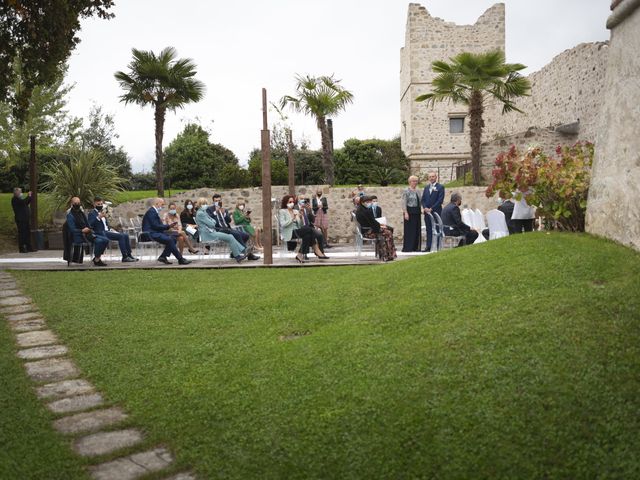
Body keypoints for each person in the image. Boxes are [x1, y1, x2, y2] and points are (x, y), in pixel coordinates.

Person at [206, 193, 259, 260]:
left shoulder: (224, 210)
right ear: (213, 202)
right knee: (236, 234)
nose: (217, 202)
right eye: (216, 201)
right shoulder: (209, 210)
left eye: (219, 201)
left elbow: (229, 220)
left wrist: (224, 214)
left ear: (221, 201)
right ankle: (248, 254)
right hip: (218, 229)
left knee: (246, 235)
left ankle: (233, 253)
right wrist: (215, 212)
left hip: (227, 228)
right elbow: (208, 219)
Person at [194, 198, 248, 263]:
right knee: (230, 237)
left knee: (231, 236)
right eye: (203, 204)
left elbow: (213, 221)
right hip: (208, 234)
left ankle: (239, 254)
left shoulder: (203, 212)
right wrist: (212, 222)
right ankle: (240, 254)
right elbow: (212, 224)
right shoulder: (200, 213)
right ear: (199, 205)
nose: (205, 205)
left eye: (206, 203)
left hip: (212, 232)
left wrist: (212, 221)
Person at [141, 198, 192, 265]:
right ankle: (180, 259)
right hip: (150, 234)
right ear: (157, 204)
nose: (162, 206)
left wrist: (169, 226)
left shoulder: (154, 211)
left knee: (173, 238)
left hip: (155, 232)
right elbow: (155, 226)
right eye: (162, 204)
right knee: (170, 239)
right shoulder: (152, 212)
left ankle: (163, 256)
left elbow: (158, 225)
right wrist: (168, 226)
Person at [278, 194, 327, 263]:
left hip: (297, 230)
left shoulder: (295, 211)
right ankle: (316, 249)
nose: (291, 203)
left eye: (292, 202)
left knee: (308, 235)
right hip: (289, 232)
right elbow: (283, 224)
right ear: (285, 203)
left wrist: (300, 217)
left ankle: (300, 254)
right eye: (289, 202)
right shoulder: (282, 211)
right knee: (309, 230)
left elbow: (300, 225)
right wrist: (292, 218)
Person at [88, 196, 138, 263]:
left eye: (101, 204)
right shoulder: (92, 214)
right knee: (121, 236)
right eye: (98, 204)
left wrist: (110, 229)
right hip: (100, 232)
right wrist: (98, 218)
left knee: (125, 235)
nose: (100, 206)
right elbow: (90, 224)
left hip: (107, 231)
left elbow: (105, 225)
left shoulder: (102, 212)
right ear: (94, 204)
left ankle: (129, 255)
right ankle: (125, 257)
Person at [66, 197, 110, 266]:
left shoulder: (81, 213)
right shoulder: (70, 215)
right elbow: (72, 229)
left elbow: (88, 224)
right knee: (100, 241)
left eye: (78, 203)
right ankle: (97, 260)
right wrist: (82, 230)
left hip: (88, 233)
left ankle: (96, 258)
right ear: (72, 204)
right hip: (79, 235)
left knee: (106, 240)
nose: (77, 204)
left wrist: (89, 228)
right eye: (75, 203)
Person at [355, 195, 397, 262]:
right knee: (388, 233)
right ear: (362, 202)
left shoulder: (361, 210)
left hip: (368, 230)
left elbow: (373, 222)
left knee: (389, 229)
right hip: (368, 232)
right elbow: (373, 223)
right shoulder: (365, 211)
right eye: (367, 202)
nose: (369, 203)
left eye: (369, 201)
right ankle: (388, 254)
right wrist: (381, 227)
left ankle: (388, 254)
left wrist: (380, 226)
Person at [421, 172, 445, 252]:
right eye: (430, 177)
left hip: (436, 212)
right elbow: (423, 199)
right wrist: (425, 208)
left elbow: (440, 200)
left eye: (433, 176)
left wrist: (432, 208)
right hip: (427, 213)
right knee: (428, 229)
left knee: (437, 228)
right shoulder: (426, 187)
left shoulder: (440, 187)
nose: (431, 178)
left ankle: (437, 246)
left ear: (436, 177)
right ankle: (428, 246)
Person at [401, 175, 422, 252]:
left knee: (417, 229)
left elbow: (420, 201)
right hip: (409, 212)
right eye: (413, 181)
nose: (415, 182)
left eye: (416, 181)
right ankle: (408, 247)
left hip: (417, 211)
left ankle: (416, 247)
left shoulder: (418, 190)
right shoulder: (406, 190)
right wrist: (405, 212)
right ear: (409, 182)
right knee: (410, 230)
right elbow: (403, 202)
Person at [11, 187, 34, 253]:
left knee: (27, 233)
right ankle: (22, 248)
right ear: (16, 192)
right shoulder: (15, 199)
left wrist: (29, 197)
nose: (21, 193)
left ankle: (28, 246)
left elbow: (26, 202)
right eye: (20, 192)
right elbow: (24, 202)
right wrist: (28, 196)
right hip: (21, 219)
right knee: (22, 234)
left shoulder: (20, 199)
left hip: (25, 219)